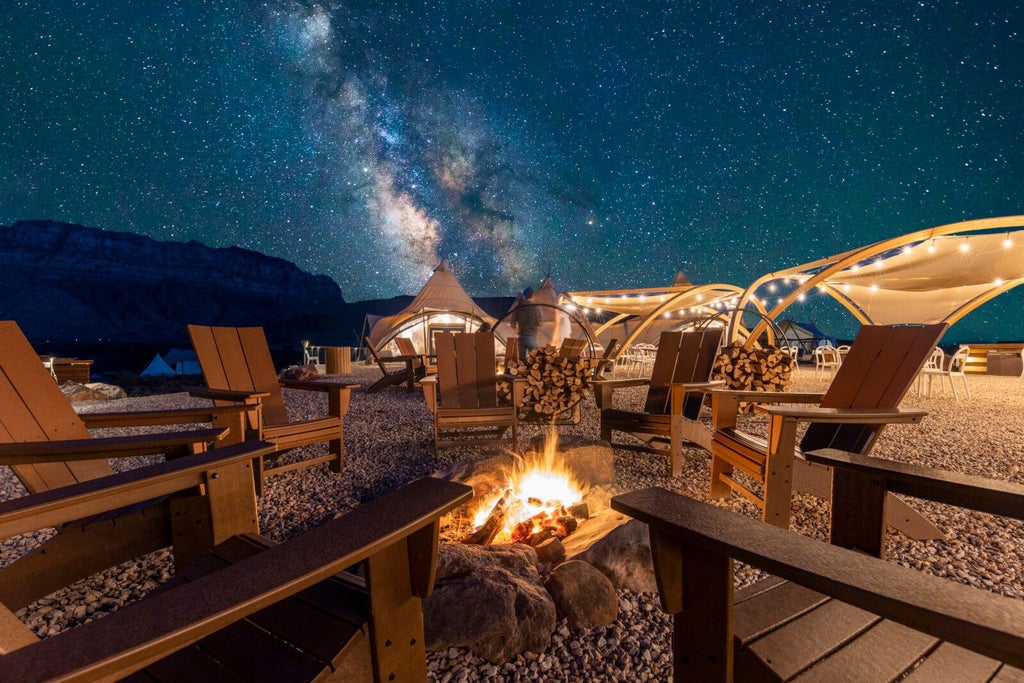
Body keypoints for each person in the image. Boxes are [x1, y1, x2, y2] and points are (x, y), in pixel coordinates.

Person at [510, 287, 542, 361]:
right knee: (534, 360)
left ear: (524, 296)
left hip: (521, 337)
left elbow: (512, 324)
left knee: (521, 361)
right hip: (532, 337)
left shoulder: (518, 307)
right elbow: (539, 322)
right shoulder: (536, 307)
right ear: (533, 296)